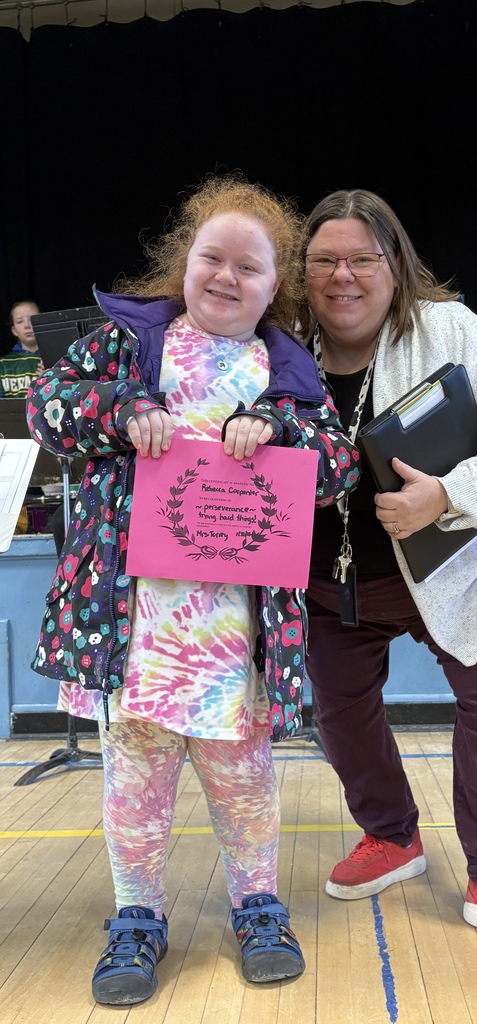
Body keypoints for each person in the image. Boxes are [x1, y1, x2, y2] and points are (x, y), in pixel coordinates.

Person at [26, 176, 359, 1005]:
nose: (225, 276)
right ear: (185, 260)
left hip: (237, 639)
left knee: (246, 785)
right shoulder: (129, 343)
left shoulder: (290, 373)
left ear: (275, 286)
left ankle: (258, 907)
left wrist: (282, 428)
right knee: (134, 788)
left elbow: (339, 465)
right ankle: (137, 916)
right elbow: (46, 407)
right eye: (212, 257)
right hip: (135, 633)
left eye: (249, 267)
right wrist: (120, 409)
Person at [300, 187, 477, 960]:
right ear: (301, 270)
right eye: (324, 260)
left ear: (396, 264)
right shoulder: (279, 344)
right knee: (341, 718)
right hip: (331, 584)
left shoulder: (450, 328)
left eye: (362, 259)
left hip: (460, 567)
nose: (342, 276)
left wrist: (445, 496)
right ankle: (391, 836)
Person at [0, 300, 43, 397]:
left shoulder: (57, 360)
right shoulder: (3, 364)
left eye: (32, 319)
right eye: (20, 321)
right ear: (14, 330)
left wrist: (51, 380)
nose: (27, 325)